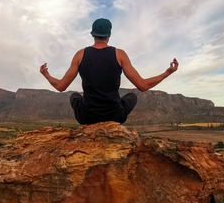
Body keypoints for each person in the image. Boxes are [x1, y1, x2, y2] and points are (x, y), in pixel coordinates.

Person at [40, 18, 179, 125]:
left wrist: (46, 75)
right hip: (114, 116)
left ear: (92, 34)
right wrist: (167, 72)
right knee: (132, 96)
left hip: (87, 117)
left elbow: (61, 86)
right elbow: (143, 86)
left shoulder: (80, 55)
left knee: (74, 96)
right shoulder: (120, 54)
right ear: (109, 35)